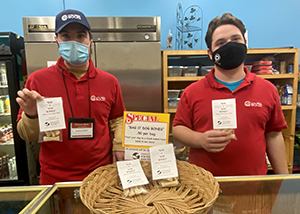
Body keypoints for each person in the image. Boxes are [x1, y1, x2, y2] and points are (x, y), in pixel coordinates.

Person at [16, 9, 126, 185]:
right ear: (56, 41)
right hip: (54, 180)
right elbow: (26, 135)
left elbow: (118, 119)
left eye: (80, 36)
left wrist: (120, 145)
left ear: (90, 41)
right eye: (66, 36)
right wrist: (31, 115)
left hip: (100, 177)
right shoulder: (37, 80)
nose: (74, 42)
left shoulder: (109, 82)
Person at [172, 12, 289, 176]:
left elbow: (274, 135)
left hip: (253, 187)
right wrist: (200, 140)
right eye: (221, 43)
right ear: (210, 53)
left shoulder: (267, 89)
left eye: (235, 40)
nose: (230, 46)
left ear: (245, 43)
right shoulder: (192, 92)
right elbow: (178, 129)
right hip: (205, 188)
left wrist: (283, 180)